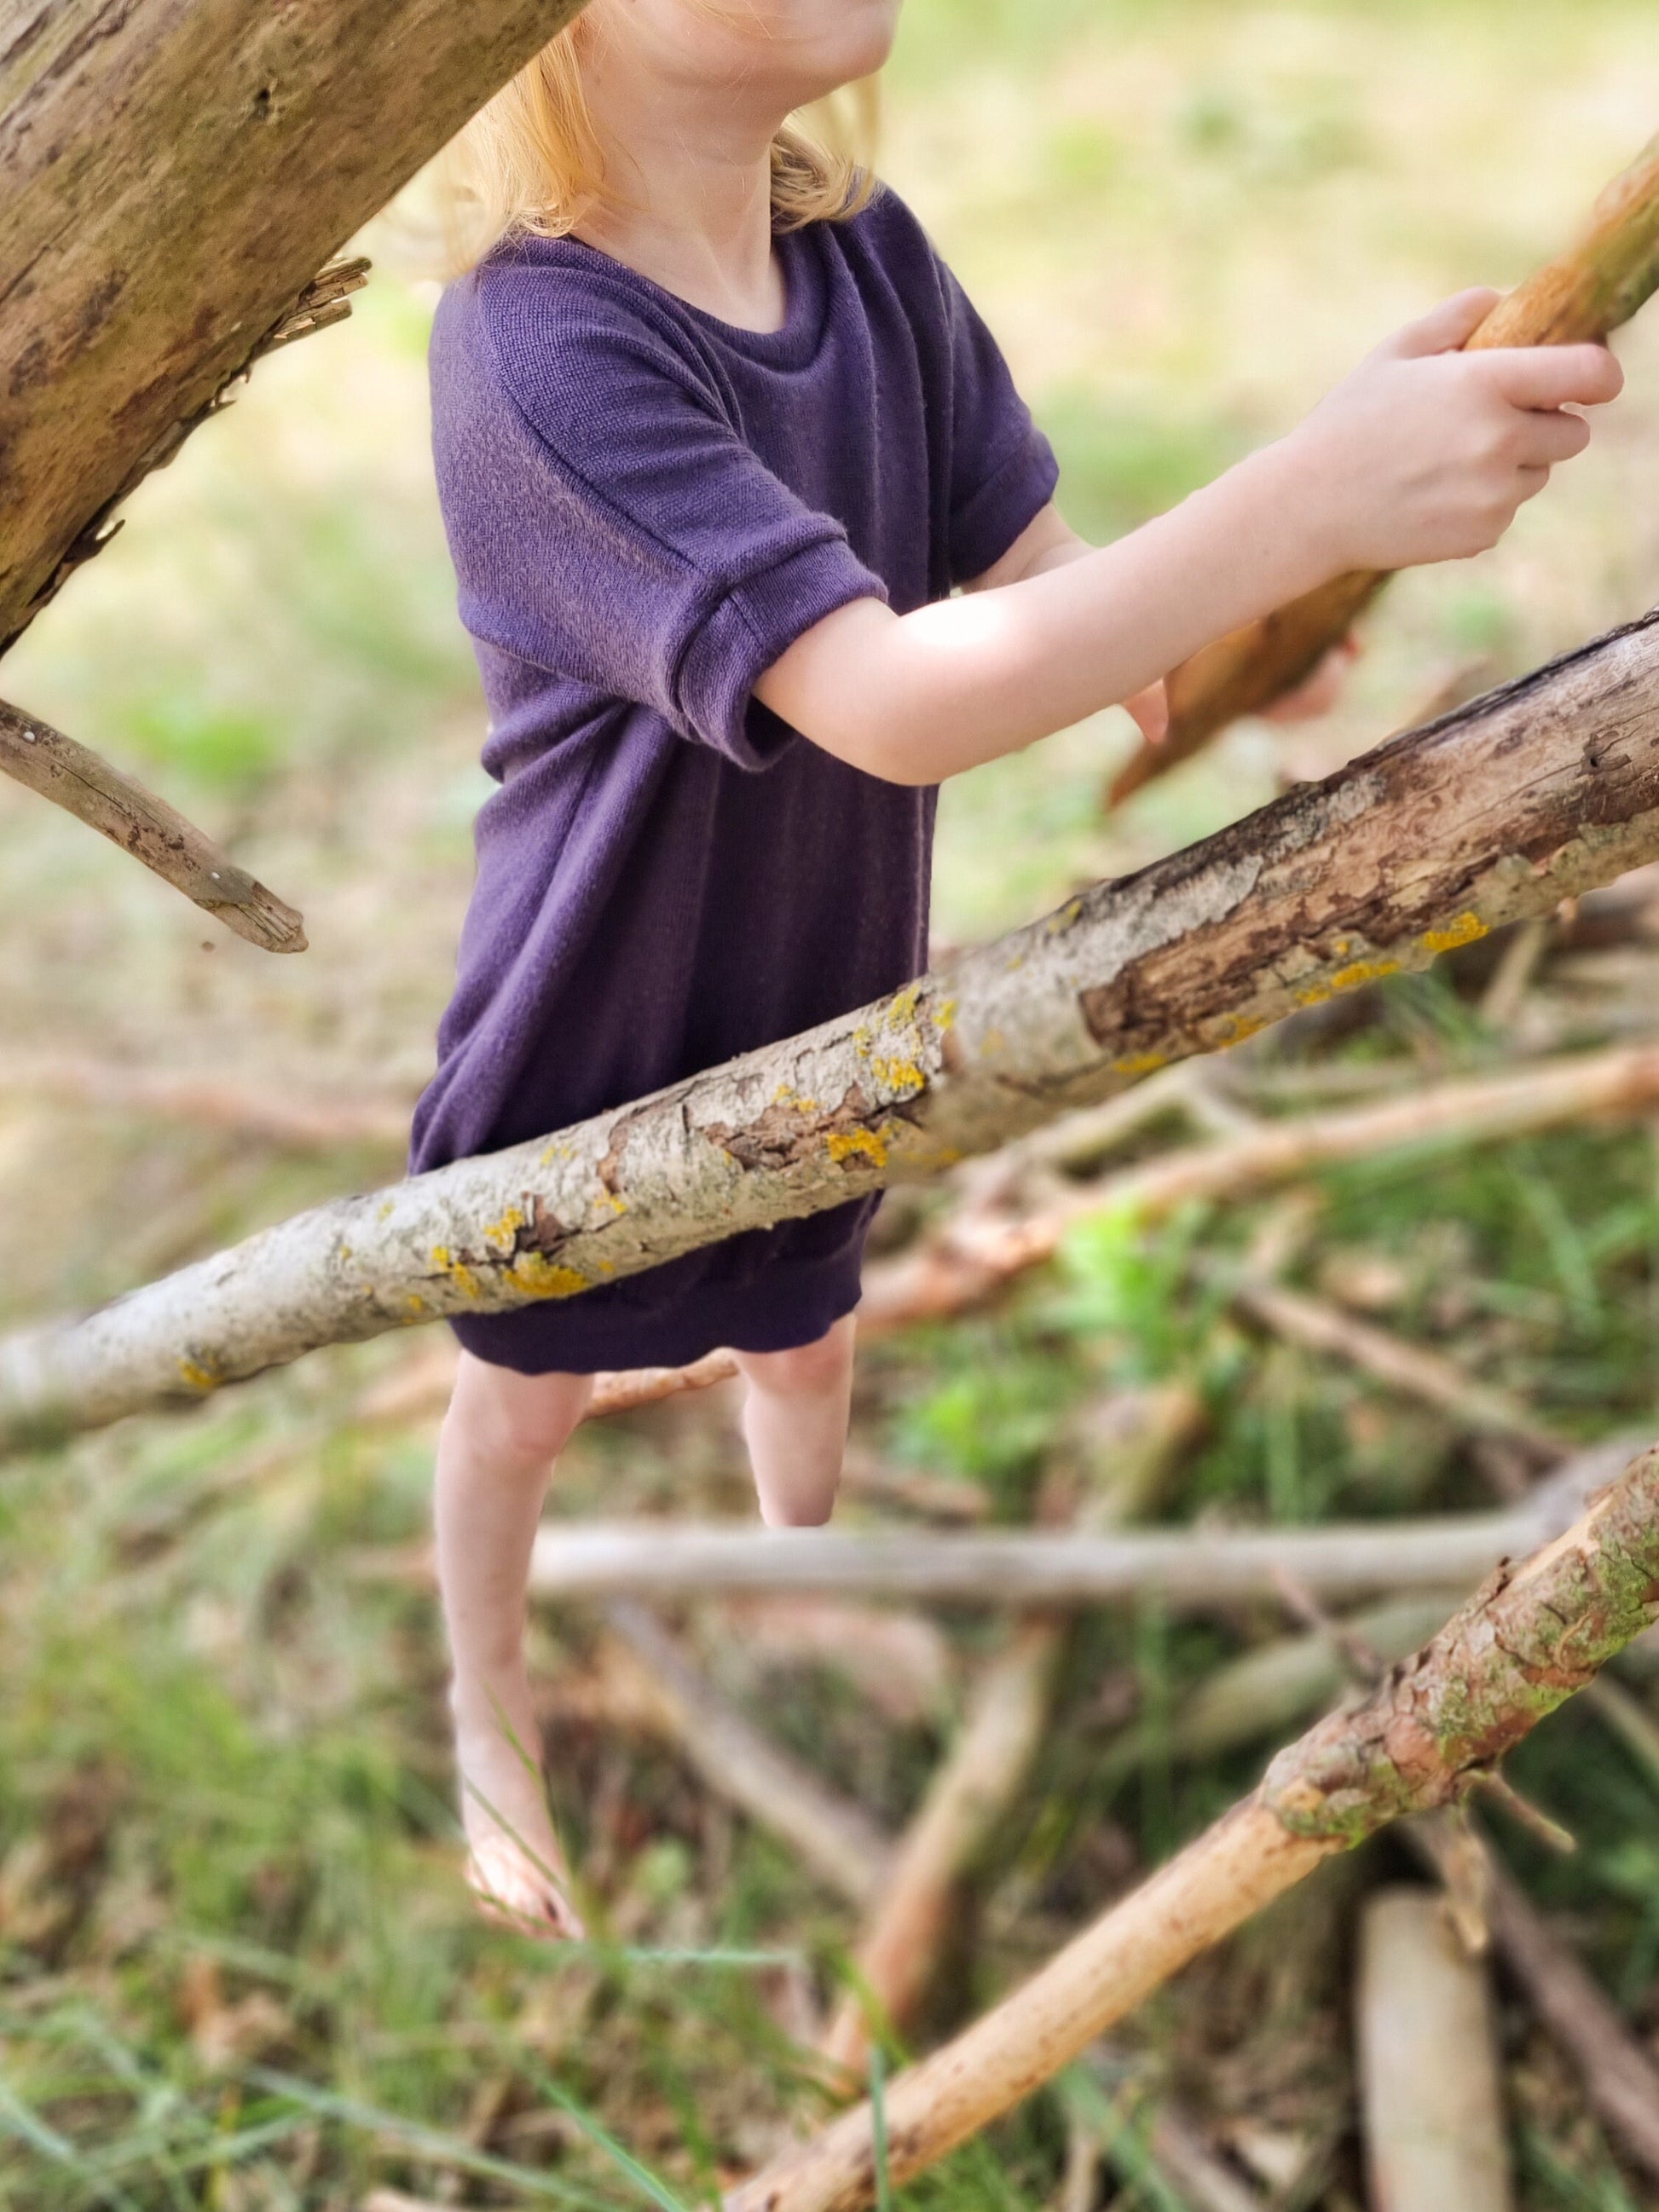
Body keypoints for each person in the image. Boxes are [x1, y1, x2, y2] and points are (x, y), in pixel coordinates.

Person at [413, 0, 1622, 1938]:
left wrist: (1271, 603)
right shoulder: (537, 344)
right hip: (595, 1015)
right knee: (523, 1394)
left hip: (827, 992)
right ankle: (490, 1717)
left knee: (806, 1333)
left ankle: (793, 1590)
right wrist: (1305, 490)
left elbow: (1046, 590)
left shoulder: (859, 249)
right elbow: (889, 703)